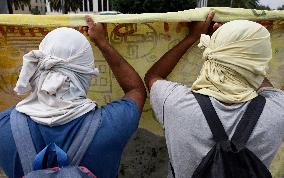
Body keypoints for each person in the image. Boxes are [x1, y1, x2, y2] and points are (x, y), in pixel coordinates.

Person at [0, 16, 146, 178]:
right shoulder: (112, 124)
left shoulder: (3, 126)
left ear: (38, 66)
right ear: (85, 74)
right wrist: (102, 43)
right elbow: (136, 90)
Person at [144, 11, 284, 178]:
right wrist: (235, 53)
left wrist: (193, 37)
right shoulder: (278, 110)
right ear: (260, 62)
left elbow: (152, 77)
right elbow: (258, 75)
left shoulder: (175, 103)